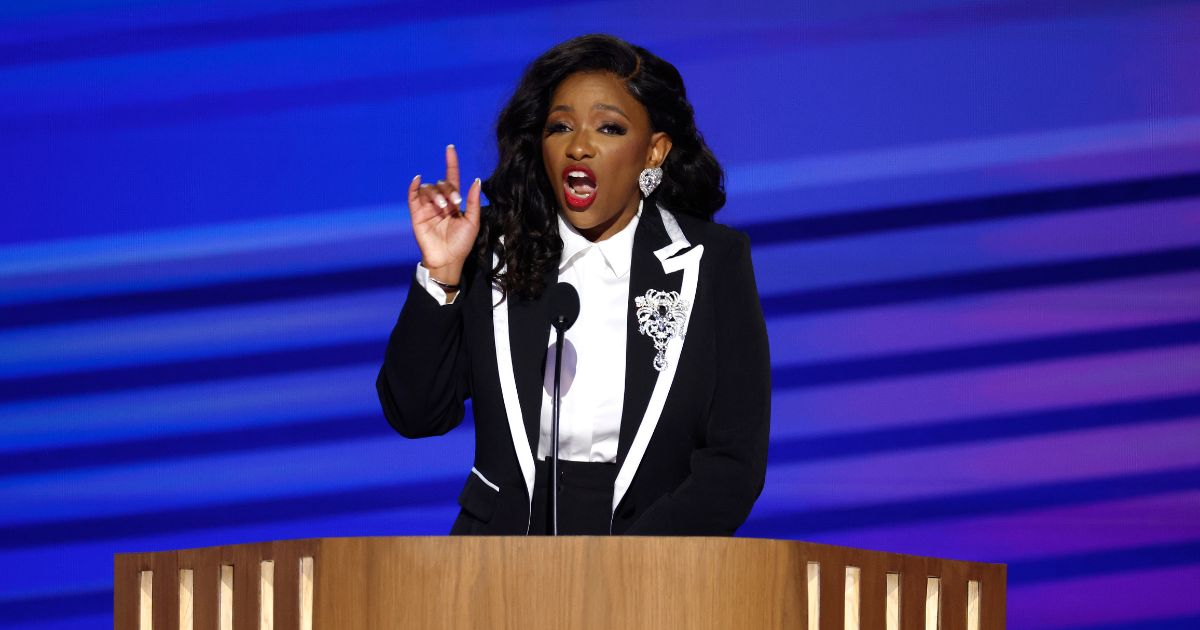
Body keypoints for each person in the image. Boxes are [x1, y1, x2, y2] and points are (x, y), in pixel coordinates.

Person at [376, 33, 770, 535]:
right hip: (499, 563)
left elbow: (735, 459)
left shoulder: (711, 260)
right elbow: (415, 414)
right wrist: (442, 272)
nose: (579, 146)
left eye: (608, 127)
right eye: (560, 126)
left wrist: (640, 563)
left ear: (654, 151)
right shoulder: (496, 248)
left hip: (651, 559)